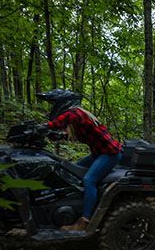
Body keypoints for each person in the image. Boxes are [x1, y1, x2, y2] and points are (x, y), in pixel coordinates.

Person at [36, 89, 122, 232]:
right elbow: (73, 134)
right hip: (98, 154)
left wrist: (45, 126)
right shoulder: (78, 120)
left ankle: (86, 220)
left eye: (54, 104)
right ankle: (77, 205)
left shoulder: (77, 113)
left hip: (110, 154)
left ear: (64, 103)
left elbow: (68, 118)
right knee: (71, 172)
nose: (53, 108)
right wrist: (56, 135)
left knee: (89, 180)